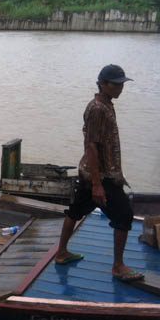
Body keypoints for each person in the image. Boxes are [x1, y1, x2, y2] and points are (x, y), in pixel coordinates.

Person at [54, 64, 143, 282]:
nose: (120, 88)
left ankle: (61, 253)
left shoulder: (106, 105)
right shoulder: (97, 109)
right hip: (101, 176)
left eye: (122, 84)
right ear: (103, 84)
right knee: (124, 216)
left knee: (75, 211)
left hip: (95, 174)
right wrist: (97, 184)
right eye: (116, 84)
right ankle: (118, 266)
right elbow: (91, 147)